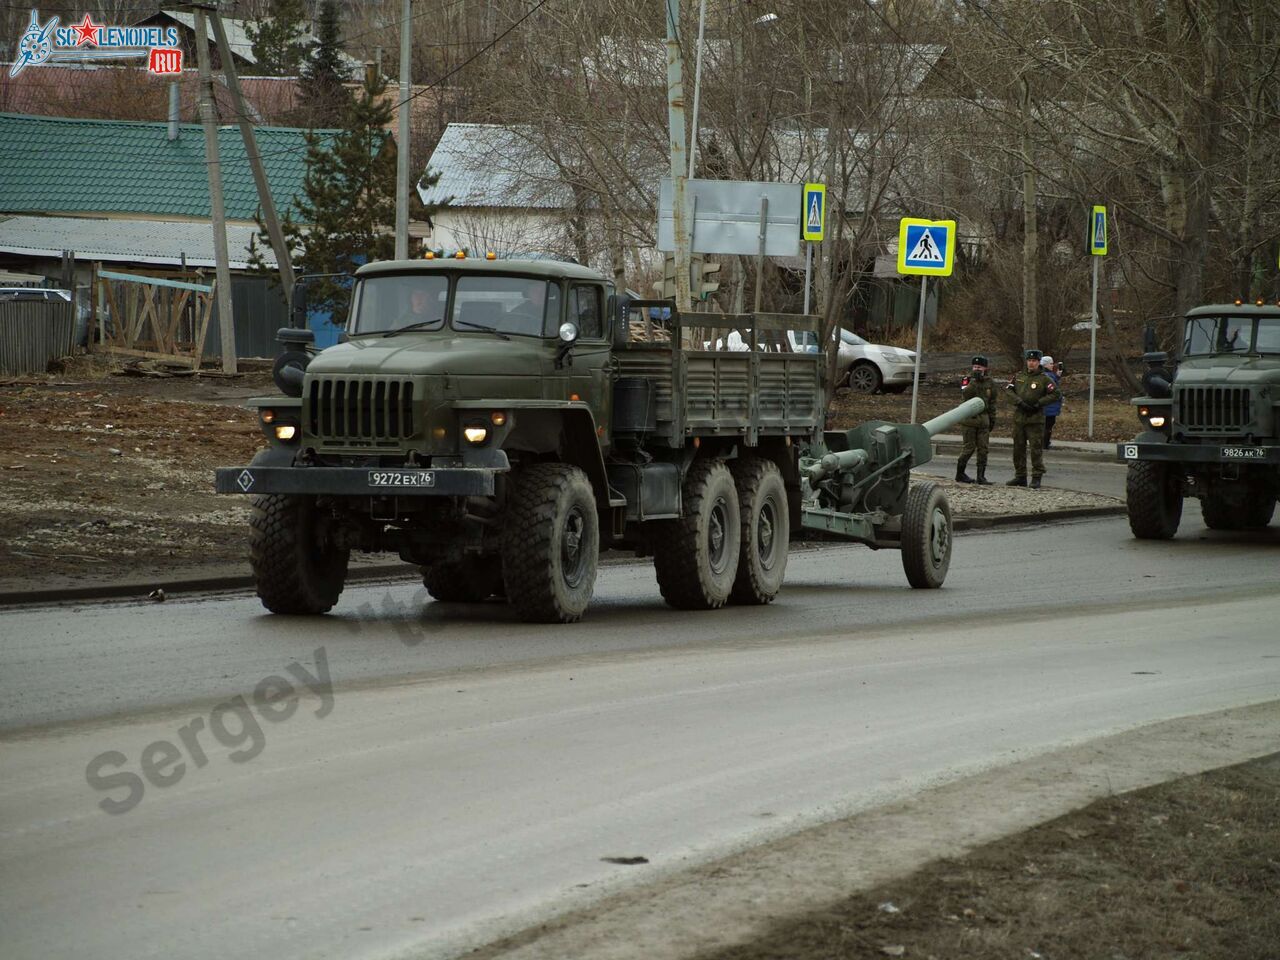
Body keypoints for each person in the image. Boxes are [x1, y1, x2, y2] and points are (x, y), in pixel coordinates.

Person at [1005, 348, 1057, 488]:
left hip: (1035, 419)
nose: (1031, 363)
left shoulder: (1044, 379)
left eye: (1034, 361)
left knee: (1035, 449)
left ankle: (1036, 477)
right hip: (1020, 418)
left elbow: (1055, 394)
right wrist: (1019, 402)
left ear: (1038, 362)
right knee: (1018, 448)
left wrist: (1039, 403)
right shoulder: (1019, 376)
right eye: (1029, 360)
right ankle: (1020, 476)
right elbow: (1009, 390)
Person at [955, 355, 997, 485]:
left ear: (985, 368)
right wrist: (974, 382)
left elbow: (992, 403)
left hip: (983, 420)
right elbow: (965, 395)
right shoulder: (968, 381)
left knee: (983, 449)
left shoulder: (990, 383)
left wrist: (992, 420)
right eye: (974, 367)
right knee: (969, 448)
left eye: (979, 367)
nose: (976, 369)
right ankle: (960, 473)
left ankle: (981, 476)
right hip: (969, 420)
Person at [1041, 355, 1062, 448]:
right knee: (1048, 425)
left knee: (1047, 425)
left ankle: (1045, 442)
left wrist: (1057, 376)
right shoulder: (1047, 376)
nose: (1052, 365)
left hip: (1049, 406)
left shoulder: (1048, 375)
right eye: (1051, 364)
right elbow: (1053, 389)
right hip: (1049, 407)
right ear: (1045, 365)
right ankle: (1044, 443)